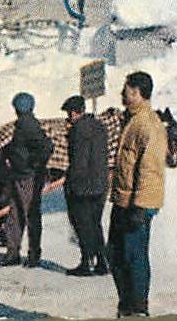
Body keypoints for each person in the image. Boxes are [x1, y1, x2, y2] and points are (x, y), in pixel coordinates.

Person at [108, 71, 168, 318]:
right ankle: (127, 305)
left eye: (127, 90)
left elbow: (150, 169)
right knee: (115, 252)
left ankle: (137, 308)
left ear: (139, 93)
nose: (123, 94)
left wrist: (141, 206)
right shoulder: (132, 119)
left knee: (134, 256)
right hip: (123, 200)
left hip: (137, 204)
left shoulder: (147, 124)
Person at [0, 92, 52, 268]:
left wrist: (33, 164)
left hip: (28, 177)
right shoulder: (23, 124)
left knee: (30, 215)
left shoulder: (28, 125)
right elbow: (17, 146)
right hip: (18, 175)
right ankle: (13, 253)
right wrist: (4, 153)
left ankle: (33, 254)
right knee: (15, 214)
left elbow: (46, 147)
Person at [62, 95, 110, 276]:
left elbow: (79, 161)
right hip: (100, 183)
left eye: (69, 113)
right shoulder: (99, 127)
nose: (68, 117)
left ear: (75, 112)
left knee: (82, 224)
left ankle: (86, 261)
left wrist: (72, 182)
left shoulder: (78, 130)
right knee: (95, 224)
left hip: (82, 185)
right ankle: (102, 261)